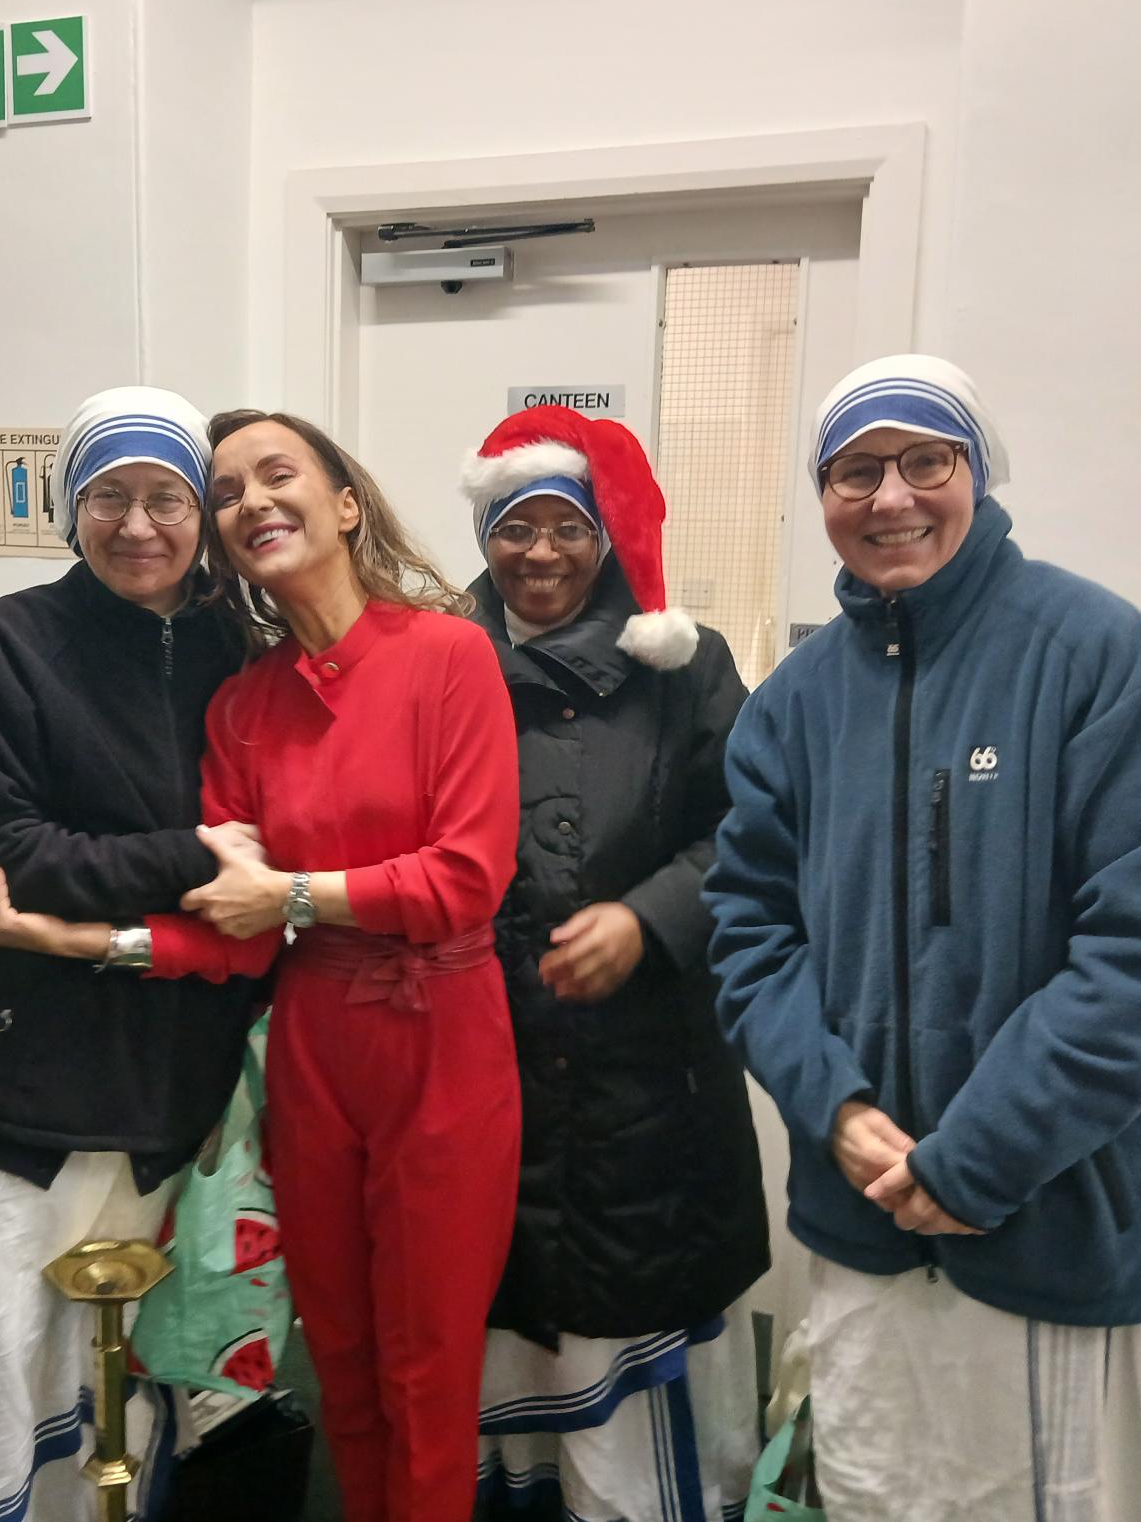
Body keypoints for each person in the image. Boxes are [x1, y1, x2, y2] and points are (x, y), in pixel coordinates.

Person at [0, 409, 522, 1522]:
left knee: (429, 1372)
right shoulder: (247, 701)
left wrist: (299, 894)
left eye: (277, 474)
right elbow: (234, 924)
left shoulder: (448, 654)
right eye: (228, 490)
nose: (250, 501)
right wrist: (80, 941)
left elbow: (466, 878)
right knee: (342, 1365)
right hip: (312, 1045)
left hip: (442, 1042)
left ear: (345, 501)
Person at [704, 356, 1141, 1522]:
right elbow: (749, 936)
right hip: (865, 1225)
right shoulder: (796, 702)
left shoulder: (1099, 658)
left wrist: (981, 1157)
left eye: (924, 461)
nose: (890, 497)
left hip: (1058, 1227)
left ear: (976, 475)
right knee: (874, 1496)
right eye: (855, 472)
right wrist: (838, 1110)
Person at [0, 387, 262, 1520]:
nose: (137, 526)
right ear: (68, 510)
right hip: (19, 1102)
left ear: (201, 515)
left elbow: (278, 867)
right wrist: (188, 856)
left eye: (165, 498)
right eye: (108, 498)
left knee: (133, 1402)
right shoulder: (7, 644)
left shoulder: (242, 648)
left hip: (175, 1098)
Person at [460, 408, 769, 1522]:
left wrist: (648, 920)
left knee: (636, 1383)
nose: (539, 554)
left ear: (604, 536)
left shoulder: (684, 665)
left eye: (566, 528)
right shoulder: (441, 660)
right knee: (500, 1341)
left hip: (649, 1078)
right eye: (514, 528)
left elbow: (750, 830)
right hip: (482, 1060)